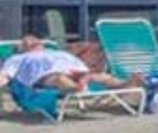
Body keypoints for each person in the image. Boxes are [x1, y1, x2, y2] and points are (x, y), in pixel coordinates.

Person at [1, 34, 140, 96]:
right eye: (27, 41)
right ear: (22, 48)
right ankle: (76, 88)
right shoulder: (17, 58)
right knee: (59, 79)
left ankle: (123, 84)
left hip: (75, 71)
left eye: (35, 39)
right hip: (47, 76)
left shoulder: (53, 51)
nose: (32, 41)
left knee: (100, 76)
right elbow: (5, 75)